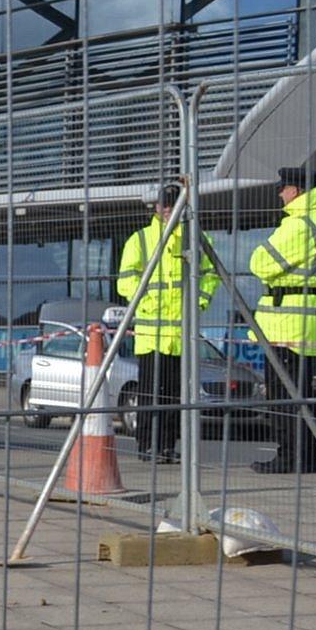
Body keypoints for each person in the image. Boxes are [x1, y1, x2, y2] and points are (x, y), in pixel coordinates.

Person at [114, 183, 219, 464]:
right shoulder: (142, 239)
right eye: (165, 204)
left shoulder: (195, 238)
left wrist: (200, 302)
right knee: (150, 394)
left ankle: (167, 447)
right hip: (151, 332)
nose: (169, 209)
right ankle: (147, 445)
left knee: (174, 396)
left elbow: (211, 275)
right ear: (157, 207)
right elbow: (125, 279)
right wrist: (145, 300)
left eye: (174, 204)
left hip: (180, 334)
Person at [247, 166, 316, 474]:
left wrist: (263, 253)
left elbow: (259, 263)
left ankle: (289, 457)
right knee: (302, 394)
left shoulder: (298, 225)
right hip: (305, 318)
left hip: (287, 321)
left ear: (297, 190)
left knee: (283, 395)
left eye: (283, 188)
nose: (280, 193)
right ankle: (307, 458)